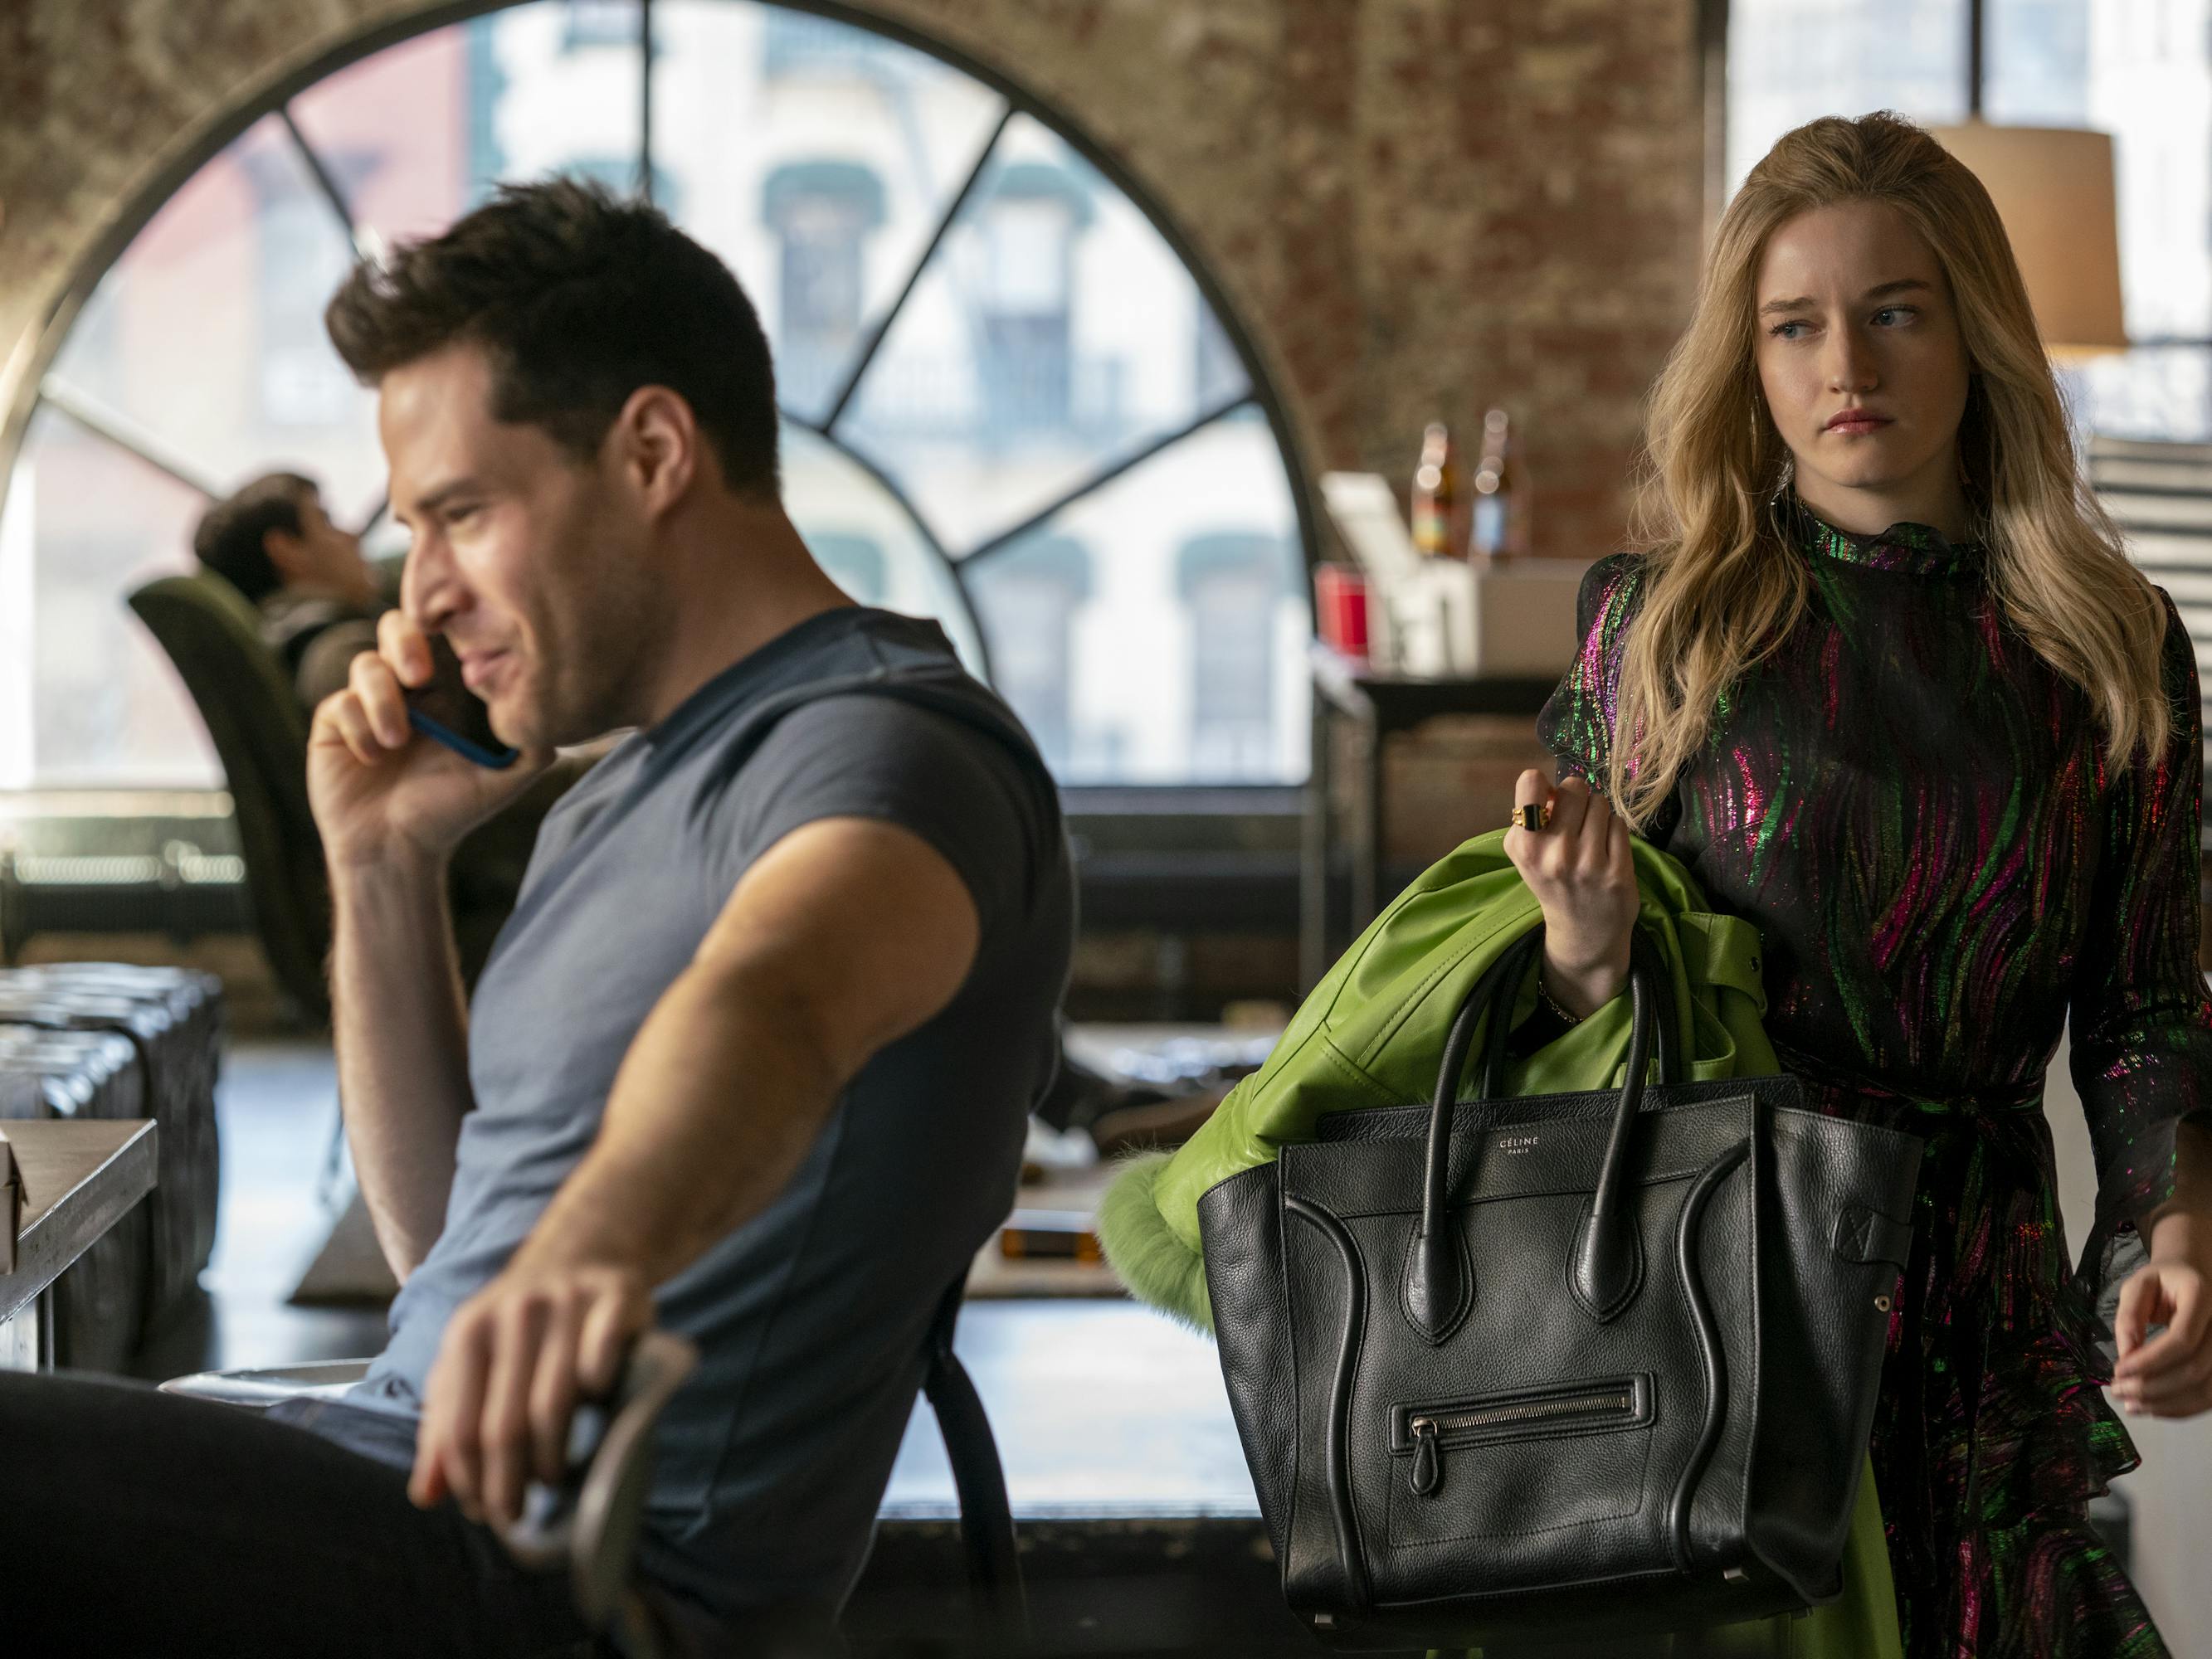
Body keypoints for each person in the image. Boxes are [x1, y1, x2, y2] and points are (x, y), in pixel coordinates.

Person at [0, 178, 1074, 1655]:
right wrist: (379, 868)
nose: (420, 590)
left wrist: (597, 1251)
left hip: (552, 1591)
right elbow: (451, 1241)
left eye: (459, 514)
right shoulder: (609, 792)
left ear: (649, 450)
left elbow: (780, 997)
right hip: (387, 1496)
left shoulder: (892, 748)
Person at [1506, 112, 2211, 1656]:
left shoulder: (2110, 648)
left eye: (1895, 311)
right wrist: (1582, 937)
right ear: (1748, 365)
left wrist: (2171, 1231)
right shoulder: (1662, 629)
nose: (1849, 367)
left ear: (1975, 331)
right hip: (1725, 1303)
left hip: (1982, 1306)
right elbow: (1545, 1014)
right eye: (1796, 325)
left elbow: (2148, 1006)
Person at [192, 469, 394, 707]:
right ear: (286, 551)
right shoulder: (347, 658)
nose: (351, 537)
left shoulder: (294, 653)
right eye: (326, 521)